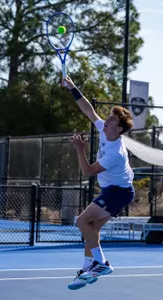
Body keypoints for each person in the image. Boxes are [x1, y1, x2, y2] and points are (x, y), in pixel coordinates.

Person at [63, 76, 135, 290]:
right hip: (117, 190)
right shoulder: (105, 130)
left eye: (112, 120)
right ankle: (88, 266)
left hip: (118, 191)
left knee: (81, 221)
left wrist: (80, 150)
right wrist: (73, 88)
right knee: (91, 228)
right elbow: (88, 110)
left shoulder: (115, 154)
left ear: (120, 129)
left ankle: (101, 263)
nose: (106, 121)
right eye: (109, 118)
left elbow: (87, 171)